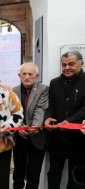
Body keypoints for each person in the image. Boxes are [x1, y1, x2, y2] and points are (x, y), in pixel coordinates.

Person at [44, 51, 85, 189]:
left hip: (79, 139)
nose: (67, 67)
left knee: (75, 177)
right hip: (57, 138)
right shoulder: (55, 83)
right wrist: (47, 118)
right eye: (64, 64)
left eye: (71, 64)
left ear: (81, 63)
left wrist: (71, 121)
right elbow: (51, 106)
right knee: (53, 173)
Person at [12, 63, 49, 189]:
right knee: (18, 173)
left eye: (30, 74)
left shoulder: (43, 89)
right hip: (19, 137)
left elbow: (40, 109)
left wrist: (34, 127)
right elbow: (12, 111)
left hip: (37, 137)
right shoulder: (13, 91)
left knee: (34, 175)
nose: (27, 77)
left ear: (36, 76)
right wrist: (19, 127)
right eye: (24, 74)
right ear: (19, 75)